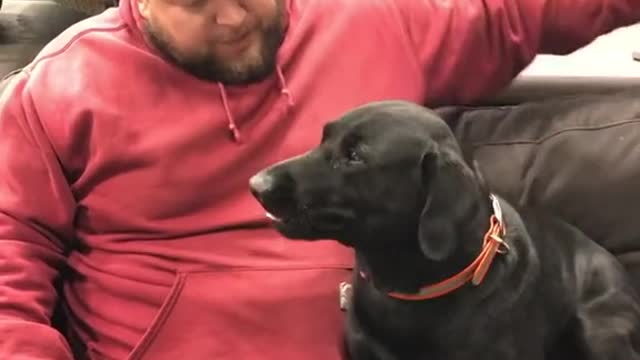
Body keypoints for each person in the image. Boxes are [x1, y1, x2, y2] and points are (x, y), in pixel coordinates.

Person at [0, 0, 639, 358]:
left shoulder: (369, 21)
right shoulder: (62, 88)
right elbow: (8, 251)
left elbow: (516, 12)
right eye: (195, 2)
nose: (230, 17)